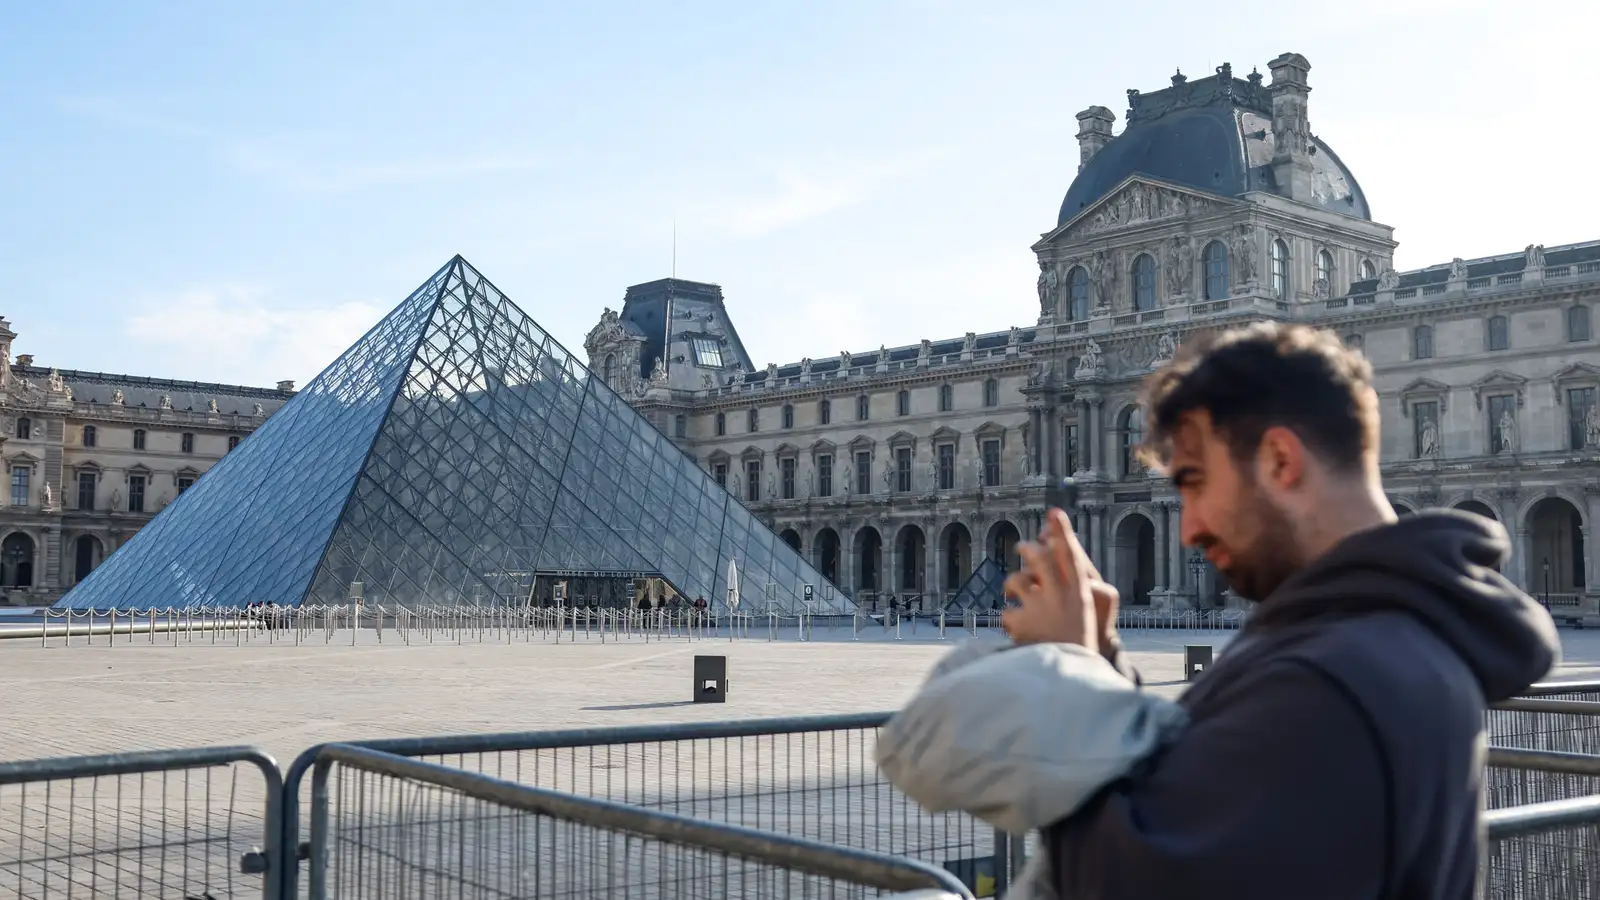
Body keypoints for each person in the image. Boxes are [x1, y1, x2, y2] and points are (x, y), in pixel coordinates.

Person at [1001, 322, 1559, 899]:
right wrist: (1102, 663)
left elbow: (1127, 885)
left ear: (1279, 459)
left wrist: (1070, 681)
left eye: (1193, 481)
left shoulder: (1330, 678)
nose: (1187, 527)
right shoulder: (1381, 636)